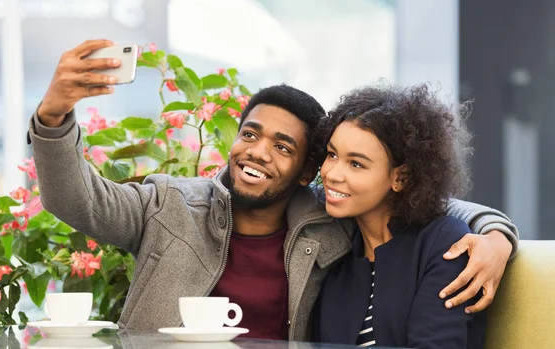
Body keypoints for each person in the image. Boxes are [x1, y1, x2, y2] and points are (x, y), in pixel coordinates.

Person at [27, 40, 518, 341]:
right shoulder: (166, 206)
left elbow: (417, 203)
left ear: (307, 171)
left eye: (283, 147)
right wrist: (52, 116)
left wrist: (496, 234)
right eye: (250, 134)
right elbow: (76, 199)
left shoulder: (330, 225)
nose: (258, 152)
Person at [313, 83, 488, 348]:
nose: (332, 174)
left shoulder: (443, 243)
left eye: (356, 164)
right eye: (332, 154)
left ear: (400, 177)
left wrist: (499, 235)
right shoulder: (336, 255)